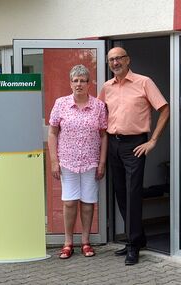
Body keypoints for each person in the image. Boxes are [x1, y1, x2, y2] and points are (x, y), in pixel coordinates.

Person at [98, 47, 170, 265]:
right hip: (113, 144)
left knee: (133, 193)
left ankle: (132, 246)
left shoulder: (143, 82)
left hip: (135, 144)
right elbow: (99, 112)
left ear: (128, 60)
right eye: (111, 59)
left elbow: (164, 109)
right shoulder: (106, 87)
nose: (115, 62)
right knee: (120, 192)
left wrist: (153, 140)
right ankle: (138, 239)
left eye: (118, 58)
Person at [48, 64, 108, 259]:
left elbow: (104, 135)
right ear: (70, 83)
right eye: (75, 80)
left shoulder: (98, 106)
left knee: (88, 202)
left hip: (91, 162)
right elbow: (52, 133)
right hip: (68, 161)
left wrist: (102, 162)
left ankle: (85, 241)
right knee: (69, 202)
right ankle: (67, 242)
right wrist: (54, 161)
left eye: (83, 81)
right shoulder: (61, 104)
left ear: (89, 84)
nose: (79, 84)